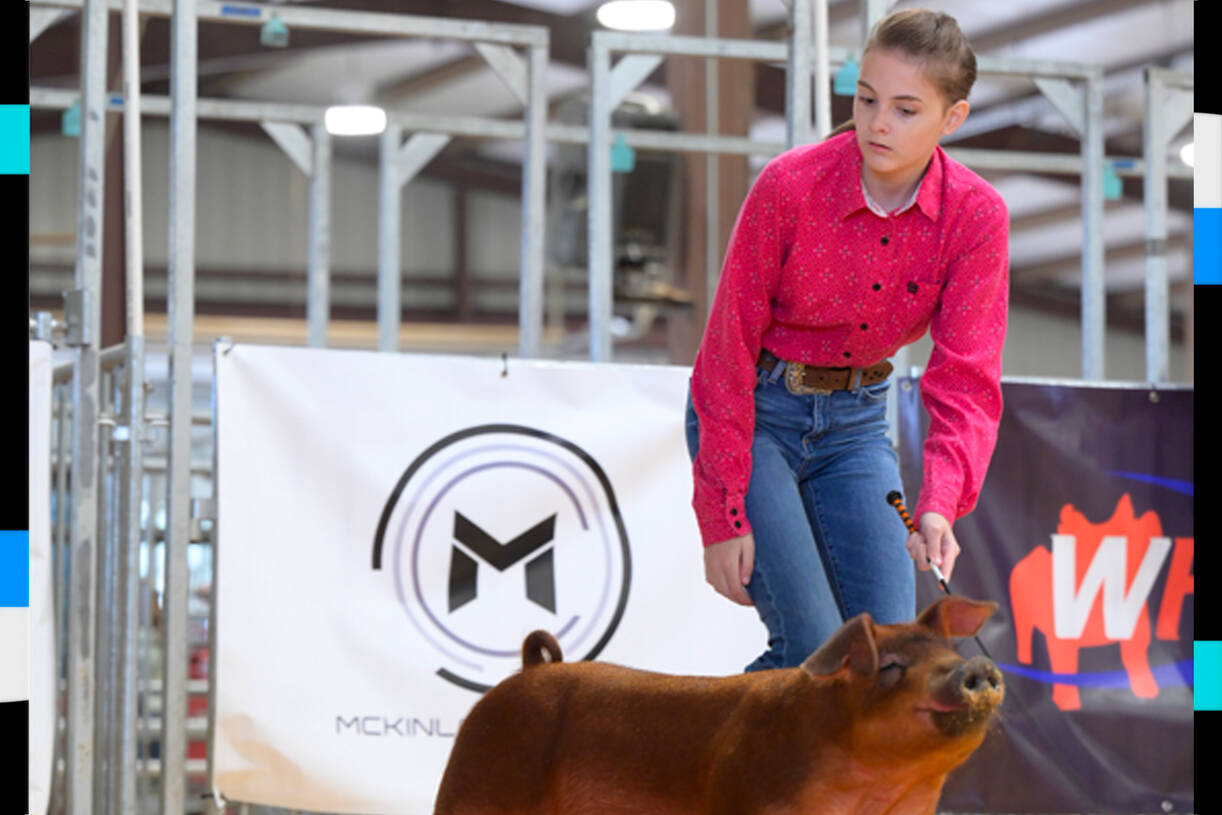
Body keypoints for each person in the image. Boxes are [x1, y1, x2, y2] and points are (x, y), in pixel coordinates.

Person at [684, 7, 1009, 672]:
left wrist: (939, 505)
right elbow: (726, 353)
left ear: (954, 118)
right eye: (866, 99)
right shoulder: (789, 185)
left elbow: (966, 380)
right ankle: (684, 772)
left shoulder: (976, 217)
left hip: (858, 430)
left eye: (905, 108)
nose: (878, 123)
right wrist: (721, 513)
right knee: (813, 651)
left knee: (889, 662)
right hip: (757, 417)